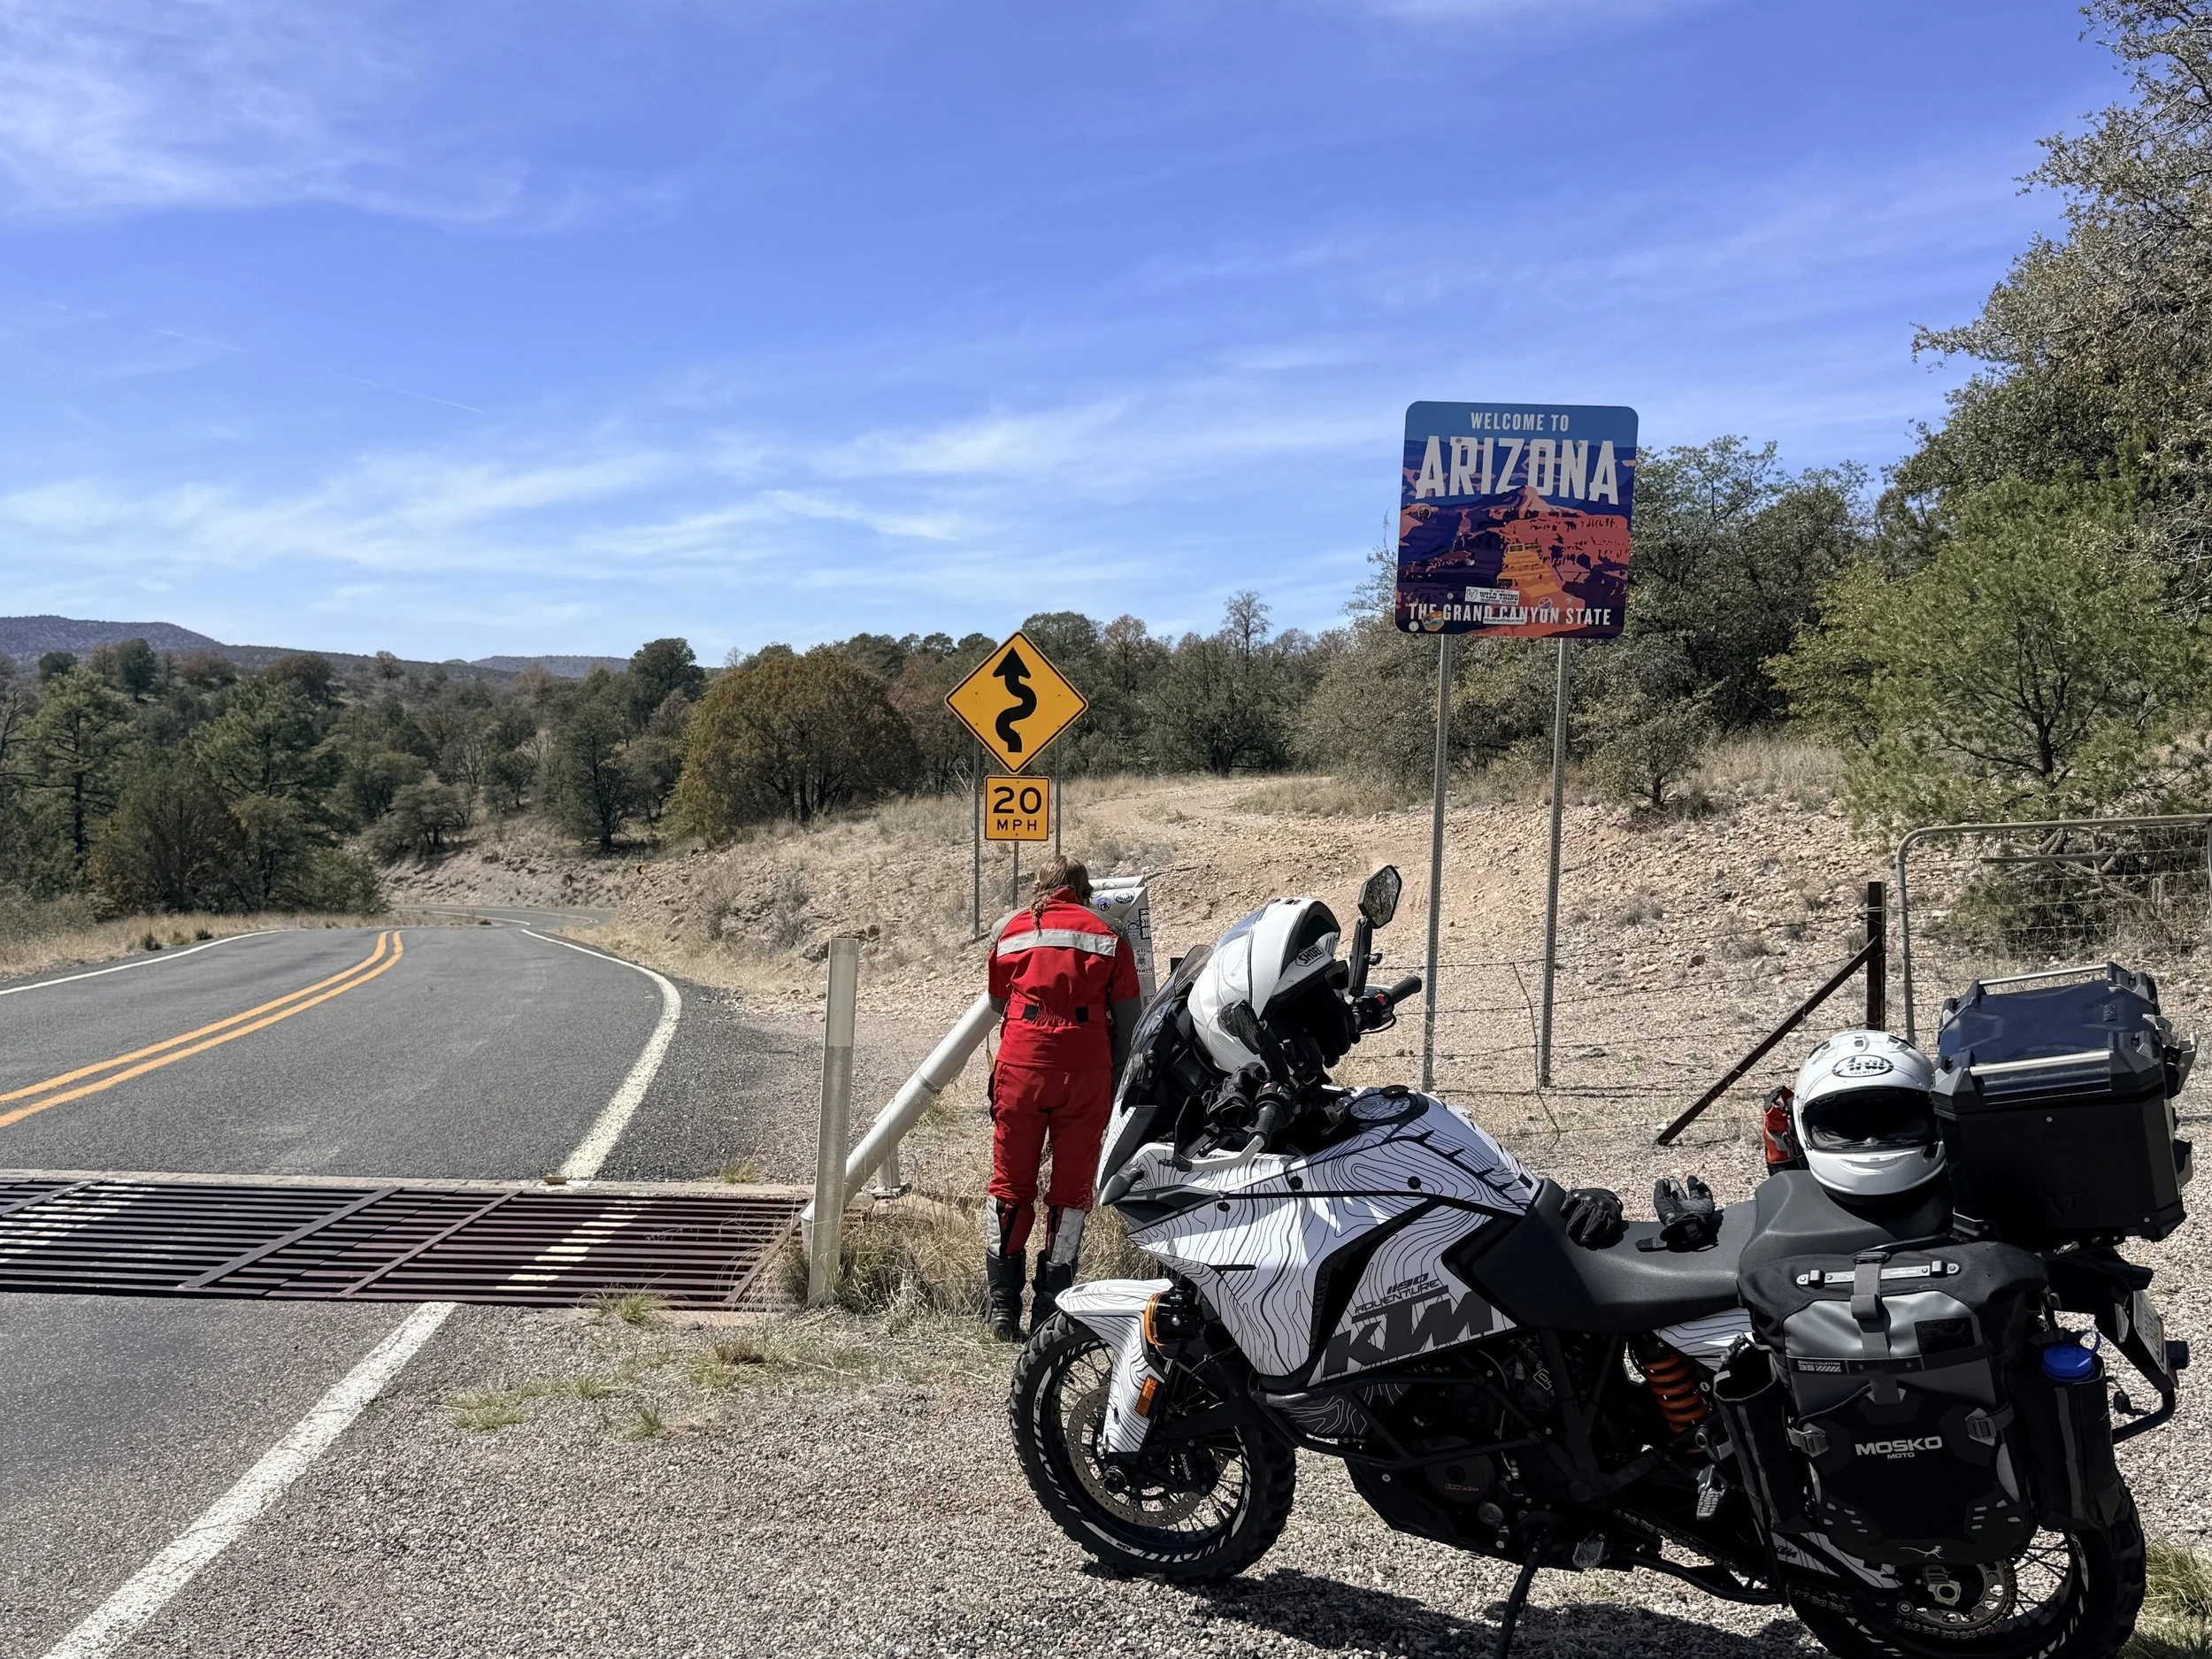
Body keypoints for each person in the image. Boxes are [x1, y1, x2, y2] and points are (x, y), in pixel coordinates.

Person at [983, 856, 1143, 1341]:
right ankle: (1051, 1310)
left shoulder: (1008, 929)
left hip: (1022, 1069)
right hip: (1084, 1075)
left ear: (1041, 886)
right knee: (1071, 1193)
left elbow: (996, 1003)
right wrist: (1112, 1076)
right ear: (1085, 890)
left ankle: (1002, 1309)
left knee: (1010, 1186)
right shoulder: (1109, 934)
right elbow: (1130, 1022)